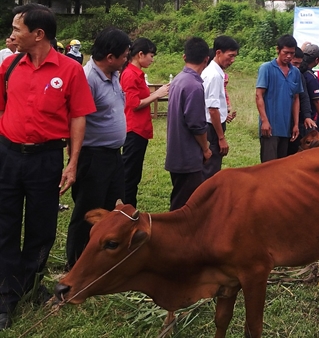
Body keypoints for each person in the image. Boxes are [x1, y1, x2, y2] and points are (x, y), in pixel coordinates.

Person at [0, 4, 95, 330]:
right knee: (5, 226)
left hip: (46, 159)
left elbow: (78, 117)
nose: (13, 34)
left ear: (38, 34)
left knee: (42, 228)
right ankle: (7, 295)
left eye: (17, 28)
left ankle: (29, 282)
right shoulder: (9, 67)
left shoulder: (70, 70)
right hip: (9, 156)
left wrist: (73, 163)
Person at [65, 27, 131, 269]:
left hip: (113, 156)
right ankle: (75, 264)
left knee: (111, 207)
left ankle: (100, 259)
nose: (127, 59)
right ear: (110, 57)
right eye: (124, 55)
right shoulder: (87, 78)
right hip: (93, 157)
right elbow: (74, 118)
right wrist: (73, 157)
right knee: (87, 211)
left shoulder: (114, 75)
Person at [120, 38, 169, 208]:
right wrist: (158, 94)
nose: (152, 59)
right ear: (140, 55)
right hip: (134, 130)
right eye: (151, 55)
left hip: (140, 130)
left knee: (134, 173)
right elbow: (134, 104)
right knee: (129, 174)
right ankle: (127, 209)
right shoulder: (130, 75)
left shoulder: (136, 74)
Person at [165, 37, 212, 211]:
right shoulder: (194, 86)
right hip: (188, 156)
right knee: (184, 206)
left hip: (176, 152)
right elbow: (196, 125)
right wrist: (206, 149)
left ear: (184, 57)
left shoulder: (179, 79)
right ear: (206, 59)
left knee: (179, 197)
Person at [255, 34, 302, 163]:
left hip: (286, 128)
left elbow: (296, 98)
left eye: (291, 53)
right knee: (268, 167)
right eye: (285, 52)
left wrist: (296, 124)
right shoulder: (266, 68)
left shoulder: (295, 72)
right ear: (278, 50)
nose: (288, 56)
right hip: (270, 128)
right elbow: (259, 95)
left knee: (281, 167)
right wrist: (264, 121)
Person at [201, 35, 239, 179]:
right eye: (230, 56)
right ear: (218, 53)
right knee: (211, 168)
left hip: (213, 125)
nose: (232, 60)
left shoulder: (216, 72)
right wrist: (221, 137)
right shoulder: (214, 75)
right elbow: (212, 109)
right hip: (211, 128)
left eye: (234, 56)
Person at [287, 47, 317, 155]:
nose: (297, 67)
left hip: (295, 121)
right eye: (295, 63)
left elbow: (303, 97)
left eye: (299, 64)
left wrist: (307, 116)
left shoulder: (298, 75)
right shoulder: (271, 71)